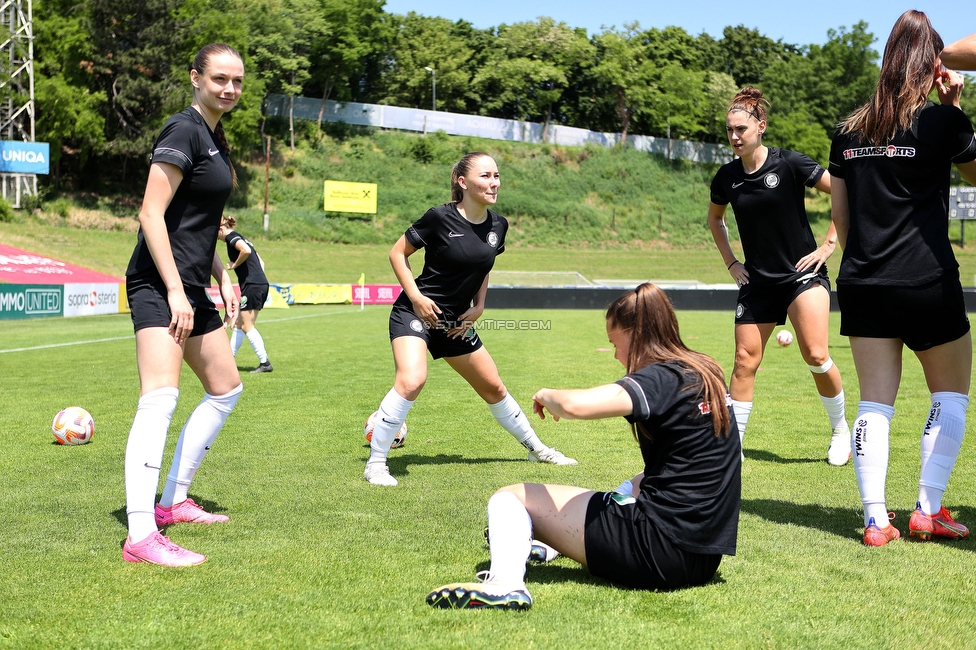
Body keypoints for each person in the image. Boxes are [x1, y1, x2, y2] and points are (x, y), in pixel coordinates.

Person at [426, 283, 740, 609]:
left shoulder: (658, 379)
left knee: (509, 497)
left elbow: (576, 406)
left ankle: (504, 584)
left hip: (656, 551)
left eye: (615, 343)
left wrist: (546, 395)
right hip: (703, 559)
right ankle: (552, 544)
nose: (617, 354)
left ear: (637, 334)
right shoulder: (706, 370)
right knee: (640, 480)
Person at [829, 10, 976, 547]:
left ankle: (875, 521)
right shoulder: (942, 121)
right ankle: (926, 510)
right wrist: (953, 110)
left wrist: (867, 265)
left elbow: (841, 222)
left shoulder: (847, 131)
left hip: (863, 282)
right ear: (932, 64)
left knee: (874, 403)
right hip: (928, 279)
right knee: (951, 395)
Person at [364, 152, 577, 487]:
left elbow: (483, 266)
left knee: (493, 387)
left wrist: (480, 305)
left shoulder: (498, 225)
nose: (493, 183)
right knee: (412, 380)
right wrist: (417, 298)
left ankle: (538, 450)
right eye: (485, 176)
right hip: (415, 313)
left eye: (496, 175)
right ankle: (376, 464)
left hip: (456, 323)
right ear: (463, 182)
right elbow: (397, 253)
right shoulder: (438, 218)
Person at [121, 43, 245, 566]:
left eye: (237, 81)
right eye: (219, 78)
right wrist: (174, 289)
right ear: (195, 77)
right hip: (157, 282)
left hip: (193, 282)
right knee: (161, 399)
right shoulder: (183, 129)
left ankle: (173, 500)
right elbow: (151, 215)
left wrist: (220, 273)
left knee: (225, 389)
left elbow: (193, 224)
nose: (230, 89)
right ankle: (141, 536)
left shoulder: (215, 137)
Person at [707, 87, 851, 466]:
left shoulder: (789, 163)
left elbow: (842, 192)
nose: (735, 136)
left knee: (816, 354)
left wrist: (828, 245)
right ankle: (730, 449)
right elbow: (715, 219)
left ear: (761, 126)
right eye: (729, 130)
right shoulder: (726, 177)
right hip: (757, 283)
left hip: (802, 276)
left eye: (741, 128)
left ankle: (840, 430)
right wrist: (731, 263)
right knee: (743, 360)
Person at [218, 215, 273, 373]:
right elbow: (261, 262)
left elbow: (246, 251)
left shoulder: (231, 238)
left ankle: (265, 363)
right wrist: (258, 279)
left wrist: (234, 264)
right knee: (238, 325)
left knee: (247, 326)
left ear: (221, 229)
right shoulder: (242, 237)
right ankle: (228, 360)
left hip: (253, 285)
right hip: (257, 284)